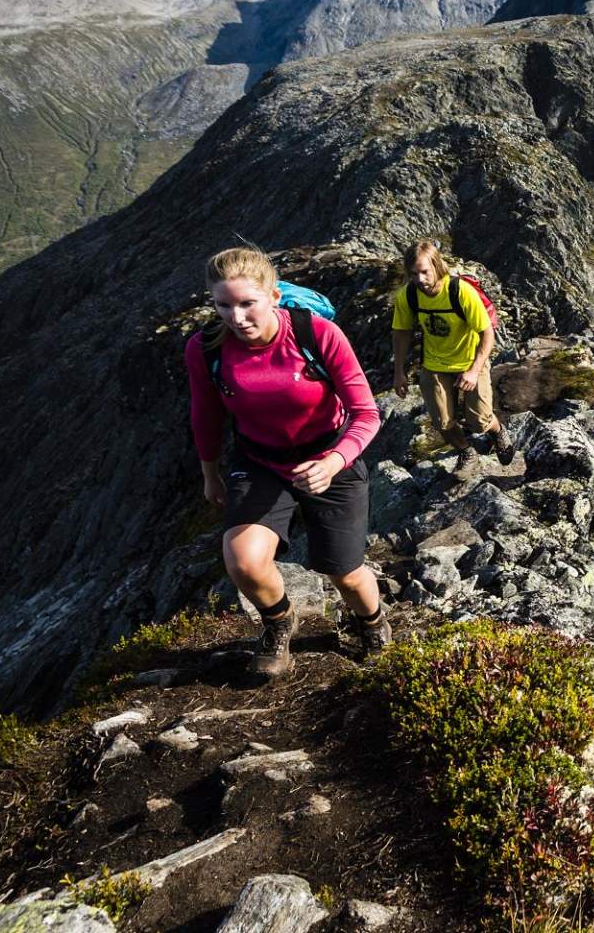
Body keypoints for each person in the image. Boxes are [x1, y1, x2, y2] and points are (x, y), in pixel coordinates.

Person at [185, 246, 390, 678]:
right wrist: (210, 473)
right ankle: (279, 622)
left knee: (346, 575)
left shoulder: (317, 335)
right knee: (242, 559)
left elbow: (366, 413)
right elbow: (205, 414)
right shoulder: (205, 349)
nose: (235, 318)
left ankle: (372, 624)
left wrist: (334, 461)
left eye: (247, 303)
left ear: (275, 297)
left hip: (329, 456)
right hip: (260, 461)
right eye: (223, 305)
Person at [391, 239, 515, 464]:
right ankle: (466, 452)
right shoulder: (408, 296)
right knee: (442, 421)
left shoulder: (460, 292)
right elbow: (401, 332)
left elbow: (488, 334)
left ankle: (498, 432)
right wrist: (398, 371)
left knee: (479, 421)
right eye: (413, 274)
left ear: (437, 266)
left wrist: (473, 371)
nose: (420, 279)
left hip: (470, 360)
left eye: (424, 272)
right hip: (435, 363)